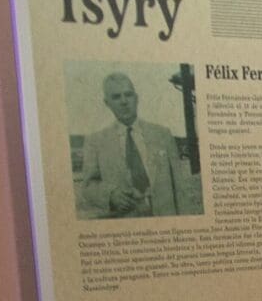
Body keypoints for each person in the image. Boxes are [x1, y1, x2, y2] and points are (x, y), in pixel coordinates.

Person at [77, 72, 197, 218]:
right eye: (116, 97)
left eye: (128, 94)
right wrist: (110, 195)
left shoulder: (162, 134)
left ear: (136, 98)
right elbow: (88, 187)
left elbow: (180, 187)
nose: (123, 101)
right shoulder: (95, 141)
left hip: (166, 222)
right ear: (107, 103)